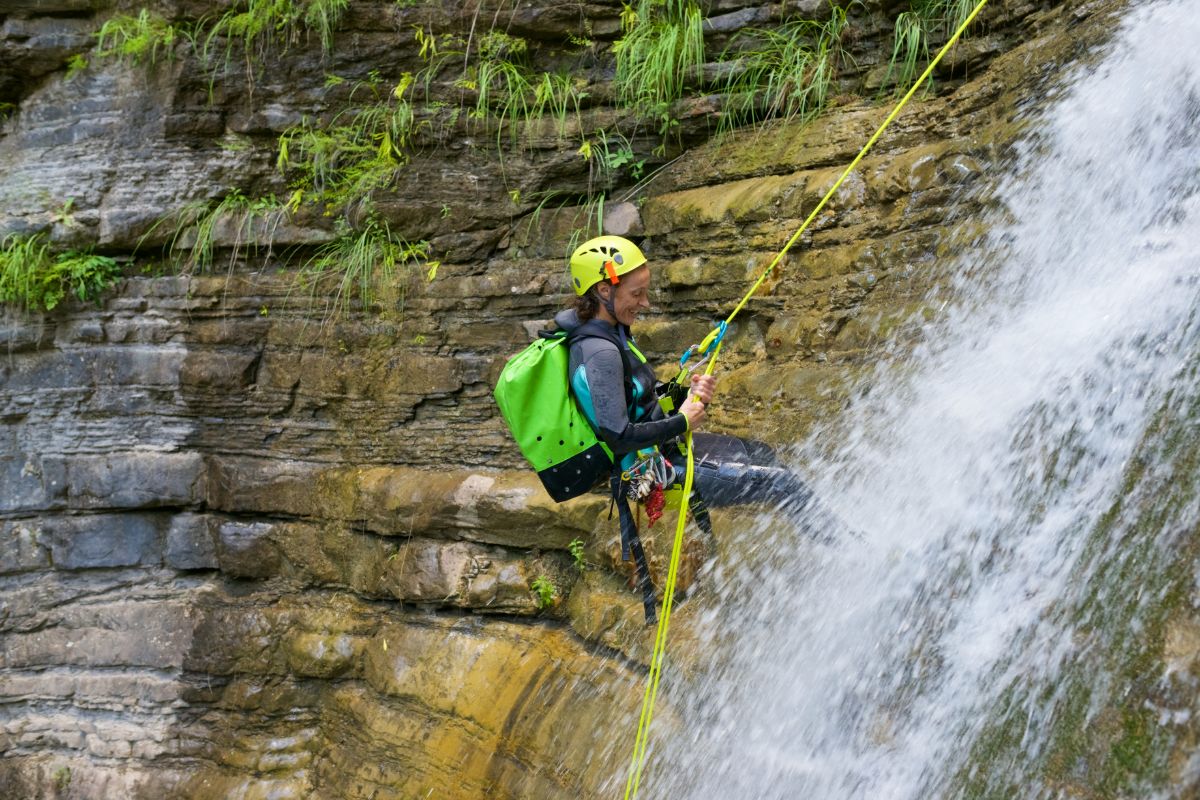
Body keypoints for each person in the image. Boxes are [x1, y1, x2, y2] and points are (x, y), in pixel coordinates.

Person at [555, 235, 824, 619]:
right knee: (781, 482)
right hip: (647, 472)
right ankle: (859, 552)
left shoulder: (610, 333)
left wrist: (683, 389)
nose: (645, 303)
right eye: (637, 293)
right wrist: (683, 420)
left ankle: (823, 540)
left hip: (659, 451)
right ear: (603, 289)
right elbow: (617, 434)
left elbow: (636, 401)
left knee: (762, 455)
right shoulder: (598, 352)